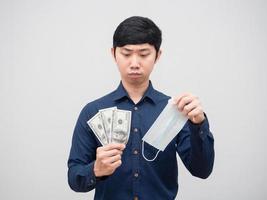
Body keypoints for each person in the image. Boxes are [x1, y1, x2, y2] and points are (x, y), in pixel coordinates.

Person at [67, 16, 214, 200]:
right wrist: (95, 169)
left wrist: (198, 124)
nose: (135, 63)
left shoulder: (175, 111)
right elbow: (74, 178)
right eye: (126, 54)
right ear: (113, 53)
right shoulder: (93, 111)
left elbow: (202, 170)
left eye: (144, 54)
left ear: (157, 55)